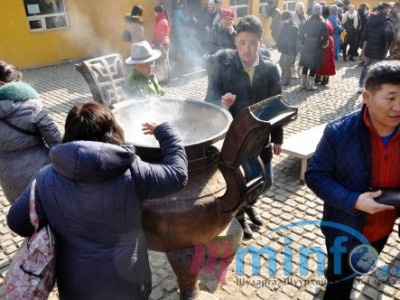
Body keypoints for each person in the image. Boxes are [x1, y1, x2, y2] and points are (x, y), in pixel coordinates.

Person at [7, 101, 188, 300]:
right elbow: (177, 174)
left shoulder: (45, 177)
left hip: (76, 284)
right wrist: (164, 131)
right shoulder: (133, 170)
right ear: (113, 131)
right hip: (129, 278)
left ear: (68, 133)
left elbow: (17, 222)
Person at [305, 60, 400, 300]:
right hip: (344, 232)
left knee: (361, 264)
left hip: (383, 229)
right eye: (390, 98)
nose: (398, 107)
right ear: (367, 96)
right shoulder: (338, 132)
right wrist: (354, 200)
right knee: (339, 286)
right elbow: (316, 175)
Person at [205, 15, 282, 238]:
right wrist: (222, 105)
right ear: (235, 42)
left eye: (252, 43)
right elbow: (209, 100)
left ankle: (249, 204)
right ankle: (239, 215)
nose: (246, 50)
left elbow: (276, 104)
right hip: (236, 137)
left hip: (261, 136)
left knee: (266, 181)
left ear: (260, 42)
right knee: (242, 180)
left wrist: (278, 137)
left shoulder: (269, 69)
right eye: (241, 43)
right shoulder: (224, 67)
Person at [0, 61, 61, 204]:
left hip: (6, 173)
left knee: (22, 210)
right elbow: (56, 143)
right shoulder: (32, 105)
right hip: (39, 172)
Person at [357, 2, 394, 93]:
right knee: (378, 69)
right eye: (388, 9)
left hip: (369, 48)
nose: (389, 10)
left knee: (366, 67)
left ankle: (361, 85)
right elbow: (389, 37)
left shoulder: (371, 19)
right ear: (385, 9)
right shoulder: (386, 22)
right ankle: (374, 88)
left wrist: (363, 45)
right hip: (380, 50)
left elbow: (364, 34)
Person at [299, 4, 329, 90]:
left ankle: (303, 84)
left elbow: (301, 33)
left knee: (305, 64)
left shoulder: (307, 21)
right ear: (320, 12)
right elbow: (326, 36)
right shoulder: (322, 23)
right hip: (317, 45)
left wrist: (303, 42)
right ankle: (310, 85)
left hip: (307, 44)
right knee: (313, 65)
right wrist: (324, 44)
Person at [277, 11, 299, 86]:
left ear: (289, 18)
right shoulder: (285, 25)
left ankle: (286, 80)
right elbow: (281, 37)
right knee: (281, 63)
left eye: (284, 19)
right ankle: (283, 77)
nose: (283, 21)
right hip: (284, 49)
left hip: (289, 50)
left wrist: (294, 52)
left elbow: (293, 41)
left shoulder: (293, 27)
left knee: (287, 65)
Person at [315, 6, 336, 85]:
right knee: (328, 61)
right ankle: (325, 78)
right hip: (330, 42)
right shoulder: (328, 21)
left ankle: (319, 78)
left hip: (324, 42)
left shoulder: (322, 22)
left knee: (321, 60)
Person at [153, 4, 171, 83]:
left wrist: (156, 43)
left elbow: (159, 34)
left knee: (163, 62)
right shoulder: (163, 19)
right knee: (165, 61)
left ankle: (165, 79)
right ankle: (166, 78)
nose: (154, 14)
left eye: (154, 12)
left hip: (162, 43)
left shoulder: (161, 21)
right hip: (165, 42)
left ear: (158, 12)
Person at [292, 2, 307, 78]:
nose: (302, 10)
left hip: (303, 39)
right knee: (294, 55)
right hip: (295, 39)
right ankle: (293, 72)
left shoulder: (304, 17)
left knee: (302, 56)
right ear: (297, 9)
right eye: (300, 8)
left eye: (303, 8)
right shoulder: (294, 17)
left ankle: (299, 70)